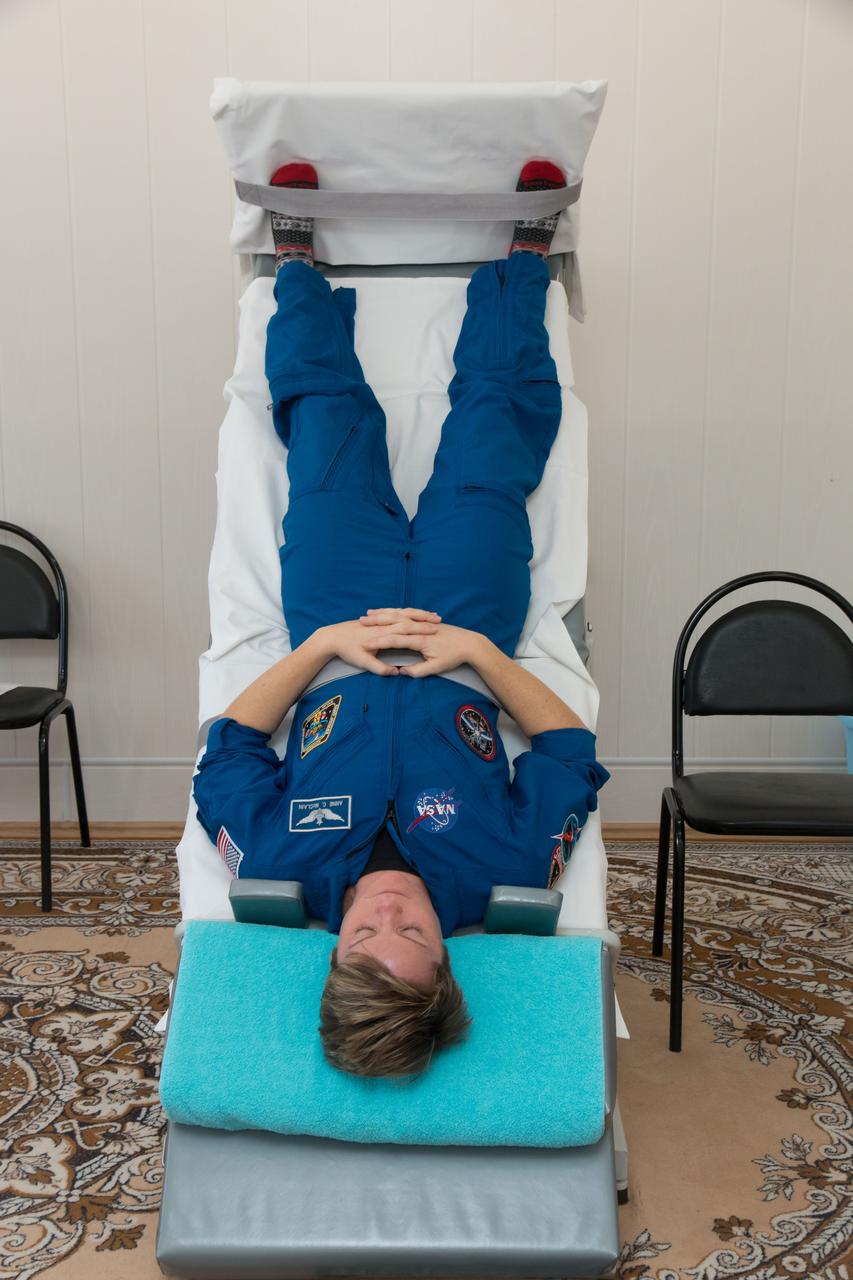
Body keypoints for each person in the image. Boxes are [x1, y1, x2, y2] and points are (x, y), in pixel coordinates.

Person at [192, 158, 611, 1078]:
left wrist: (320, 648)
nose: (387, 905)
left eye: (365, 932)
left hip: (338, 624)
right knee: (485, 451)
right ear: (447, 953)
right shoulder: (504, 868)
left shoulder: (273, 864)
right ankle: (522, 267)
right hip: (466, 628)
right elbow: (567, 755)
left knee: (326, 437)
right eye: (412, 928)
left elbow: (227, 752)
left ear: (332, 949)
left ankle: (295, 268)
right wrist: (473, 652)